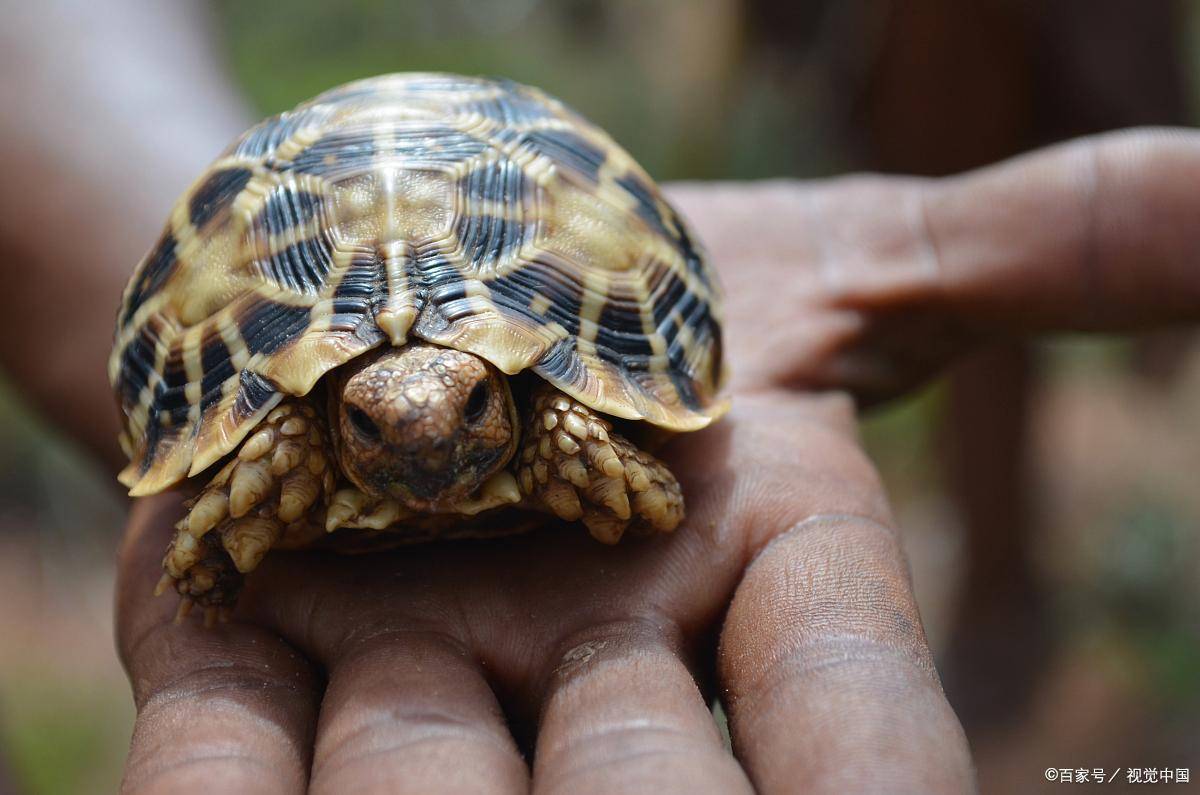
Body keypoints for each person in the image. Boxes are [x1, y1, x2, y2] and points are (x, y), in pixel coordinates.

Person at [4, 3, 1199, 793]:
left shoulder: (540, 408)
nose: (424, 442)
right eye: (372, 423)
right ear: (340, 416)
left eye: (466, 414)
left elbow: (600, 452)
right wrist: (211, 541)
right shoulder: (315, 428)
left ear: (505, 401)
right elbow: (226, 500)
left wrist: (596, 463)